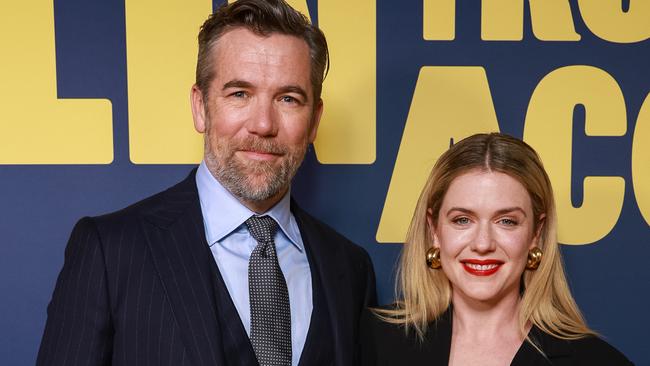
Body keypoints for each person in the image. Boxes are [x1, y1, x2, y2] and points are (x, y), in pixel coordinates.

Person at [36, 1, 376, 365]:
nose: (263, 124)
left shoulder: (349, 268)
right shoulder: (110, 252)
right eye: (239, 94)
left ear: (314, 121)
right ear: (200, 107)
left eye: (288, 99)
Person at [360, 133, 632, 365]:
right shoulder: (372, 343)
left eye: (507, 221)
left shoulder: (595, 360)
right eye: (462, 220)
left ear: (536, 234)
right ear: (434, 230)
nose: (482, 244)